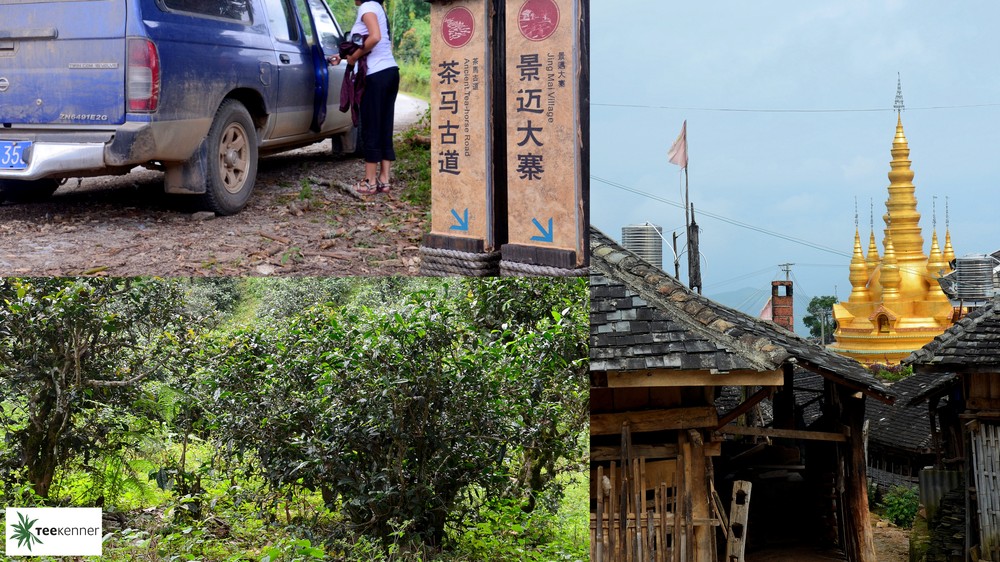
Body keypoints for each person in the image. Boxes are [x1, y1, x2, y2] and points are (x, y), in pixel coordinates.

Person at [328, 0, 399, 195]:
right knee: (384, 125)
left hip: (375, 76)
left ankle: (369, 181)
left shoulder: (366, 7)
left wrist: (353, 57)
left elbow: (374, 37)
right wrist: (343, 56)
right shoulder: (377, 8)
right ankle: (384, 180)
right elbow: (369, 41)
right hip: (389, 71)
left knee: (370, 126)